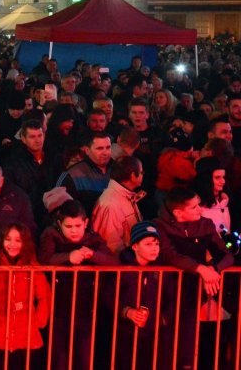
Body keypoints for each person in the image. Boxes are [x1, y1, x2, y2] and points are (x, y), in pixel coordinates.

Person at [155, 187, 234, 370]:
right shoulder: (159, 226)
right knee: (175, 339)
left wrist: (213, 271)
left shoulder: (205, 224)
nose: (200, 209)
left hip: (203, 288)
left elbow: (226, 254)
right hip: (172, 290)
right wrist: (200, 269)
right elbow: (170, 255)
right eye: (194, 207)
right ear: (178, 212)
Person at [39, 199, 118, 370]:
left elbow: (114, 262)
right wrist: (68, 257)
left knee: (84, 355)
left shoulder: (93, 239)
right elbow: (44, 260)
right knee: (59, 356)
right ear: (59, 224)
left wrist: (92, 255)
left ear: (86, 222)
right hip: (57, 306)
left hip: (86, 307)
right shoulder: (51, 235)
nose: (74, 231)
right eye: (69, 227)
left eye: (77, 225)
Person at [0, 223, 50, 370]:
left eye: (18, 240)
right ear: (1, 240)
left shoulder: (32, 266)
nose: (12, 244)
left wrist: (38, 320)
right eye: (8, 239)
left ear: (25, 242)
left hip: (27, 332)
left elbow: (44, 295)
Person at [116, 221, 174, 370]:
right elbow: (109, 296)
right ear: (135, 246)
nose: (154, 249)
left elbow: (172, 297)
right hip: (126, 332)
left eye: (156, 244)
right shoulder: (121, 268)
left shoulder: (162, 269)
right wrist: (127, 311)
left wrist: (163, 319)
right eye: (148, 244)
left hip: (155, 333)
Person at [91, 155, 146, 253]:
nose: (143, 175)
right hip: (122, 265)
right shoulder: (111, 204)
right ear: (133, 176)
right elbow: (111, 245)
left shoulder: (126, 196)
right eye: (141, 172)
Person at [54, 130, 113, 215]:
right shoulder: (72, 174)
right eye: (99, 148)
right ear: (87, 150)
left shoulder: (119, 169)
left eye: (108, 147)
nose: (105, 152)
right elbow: (58, 209)